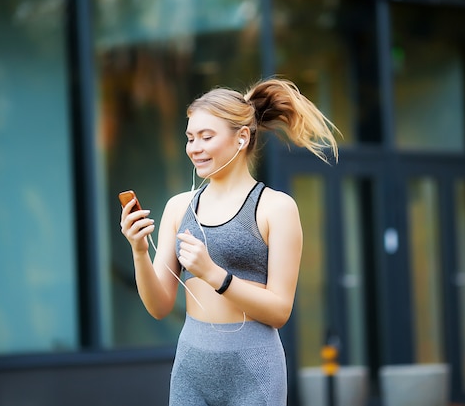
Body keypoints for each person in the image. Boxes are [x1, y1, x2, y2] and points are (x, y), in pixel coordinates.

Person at [119, 77, 339, 406]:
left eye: (206, 137)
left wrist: (213, 274)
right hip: (191, 370)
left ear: (241, 138)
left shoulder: (275, 208)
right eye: (190, 137)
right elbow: (159, 306)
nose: (194, 147)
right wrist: (139, 251)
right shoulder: (179, 207)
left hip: (255, 369)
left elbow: (280, 311)